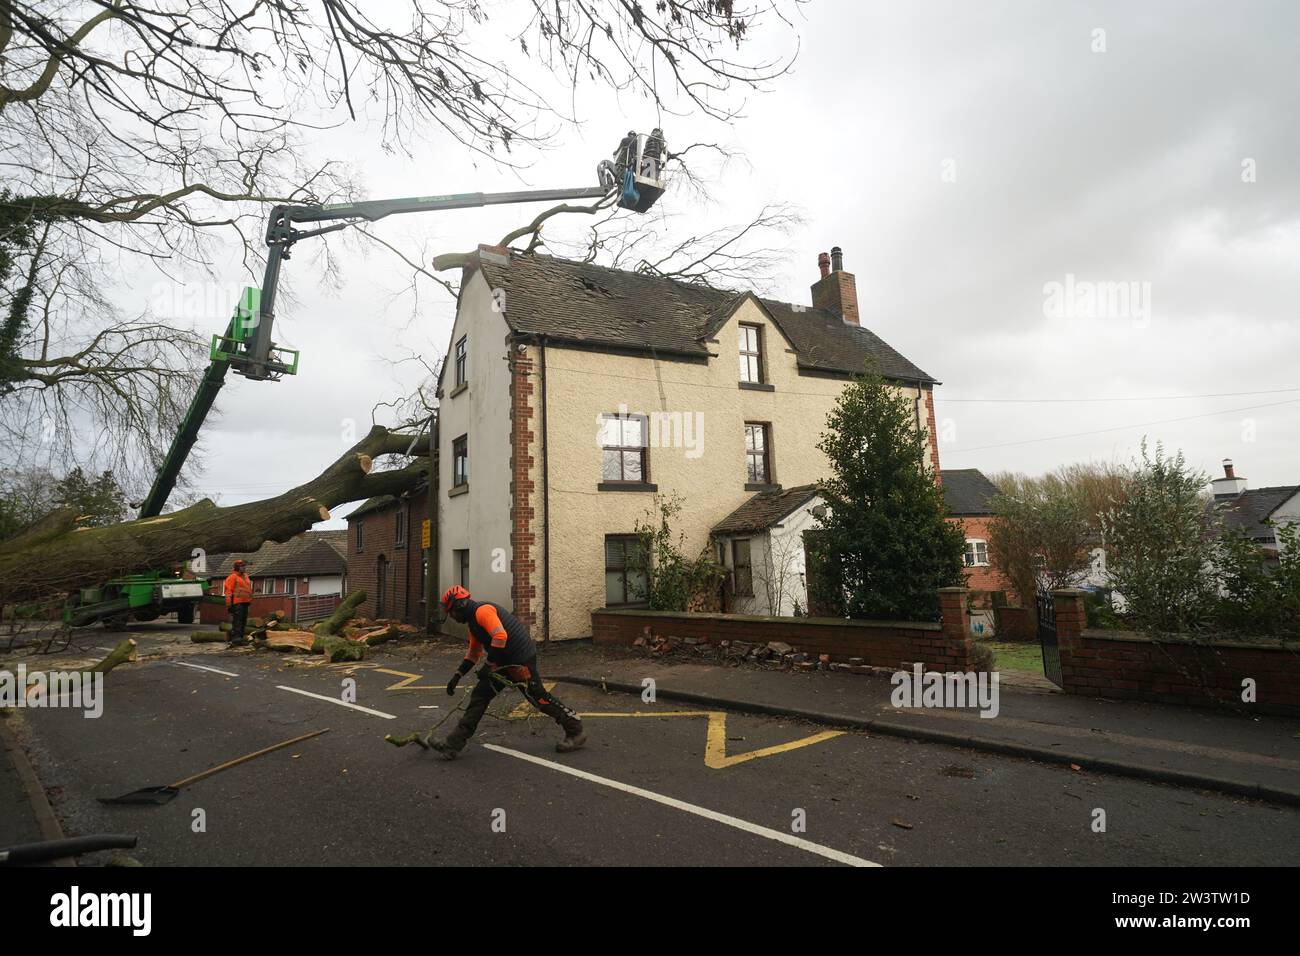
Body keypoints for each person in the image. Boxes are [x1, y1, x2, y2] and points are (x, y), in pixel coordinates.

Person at [427, 585, 586, 759]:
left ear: (460, 606)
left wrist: (489, 665)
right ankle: (453, 745)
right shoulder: (473, 623)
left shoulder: (483, 611)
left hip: (520, 660)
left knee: (538, 697)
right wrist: (457, 675)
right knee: (480, 695)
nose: (451, 617)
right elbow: (474, 653)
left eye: (451, 612)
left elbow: (500, 636)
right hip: (503, 661)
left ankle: (575, 731)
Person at [223, 559, 253, 645]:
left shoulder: (246, 576)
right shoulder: (232, 577)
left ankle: (241, 638)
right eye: (242, 566)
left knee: (243, 621)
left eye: (244, 566)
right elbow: (228, 591)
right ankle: (236, 639)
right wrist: (229, 605)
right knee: (238, 621)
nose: (244, 568)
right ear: (237, 567)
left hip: (245, 602)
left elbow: (247, 589)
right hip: (237, 603)